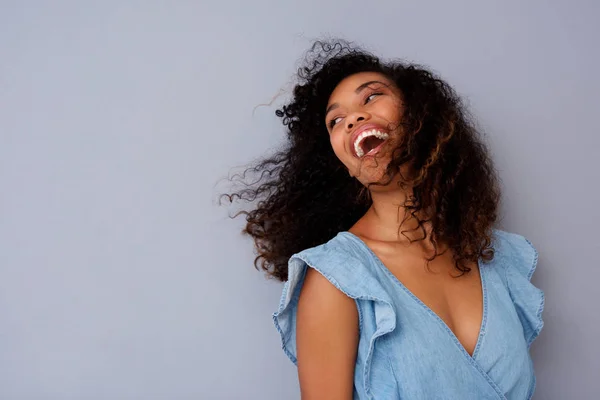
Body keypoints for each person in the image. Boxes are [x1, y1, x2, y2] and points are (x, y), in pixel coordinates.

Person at [224, 40, 545, 400]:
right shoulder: (338, 278)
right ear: (340, 163)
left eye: (371, 97)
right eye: (336, 120)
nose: (354, 119)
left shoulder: (494, 256)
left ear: (419, 113)